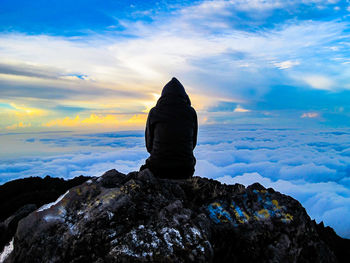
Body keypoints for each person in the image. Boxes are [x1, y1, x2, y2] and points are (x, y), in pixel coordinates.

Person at [140, 77, 198, 179]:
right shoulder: (191, 112)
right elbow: (193, 144)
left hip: (157, 169)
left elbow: (149, 146)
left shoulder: (154, 112)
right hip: (185, 170)